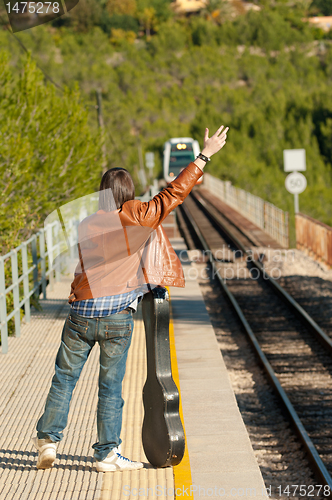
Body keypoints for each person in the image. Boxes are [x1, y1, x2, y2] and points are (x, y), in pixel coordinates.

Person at [32, 125, 229, 472]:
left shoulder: (87, 223)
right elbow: (173, 194)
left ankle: (48, 441)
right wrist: (204, 155)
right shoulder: (136, 215)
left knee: (64, 378)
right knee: (110, 387)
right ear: (128, 193)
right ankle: (106, 454)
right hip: (115, 318)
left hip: (80, 313)